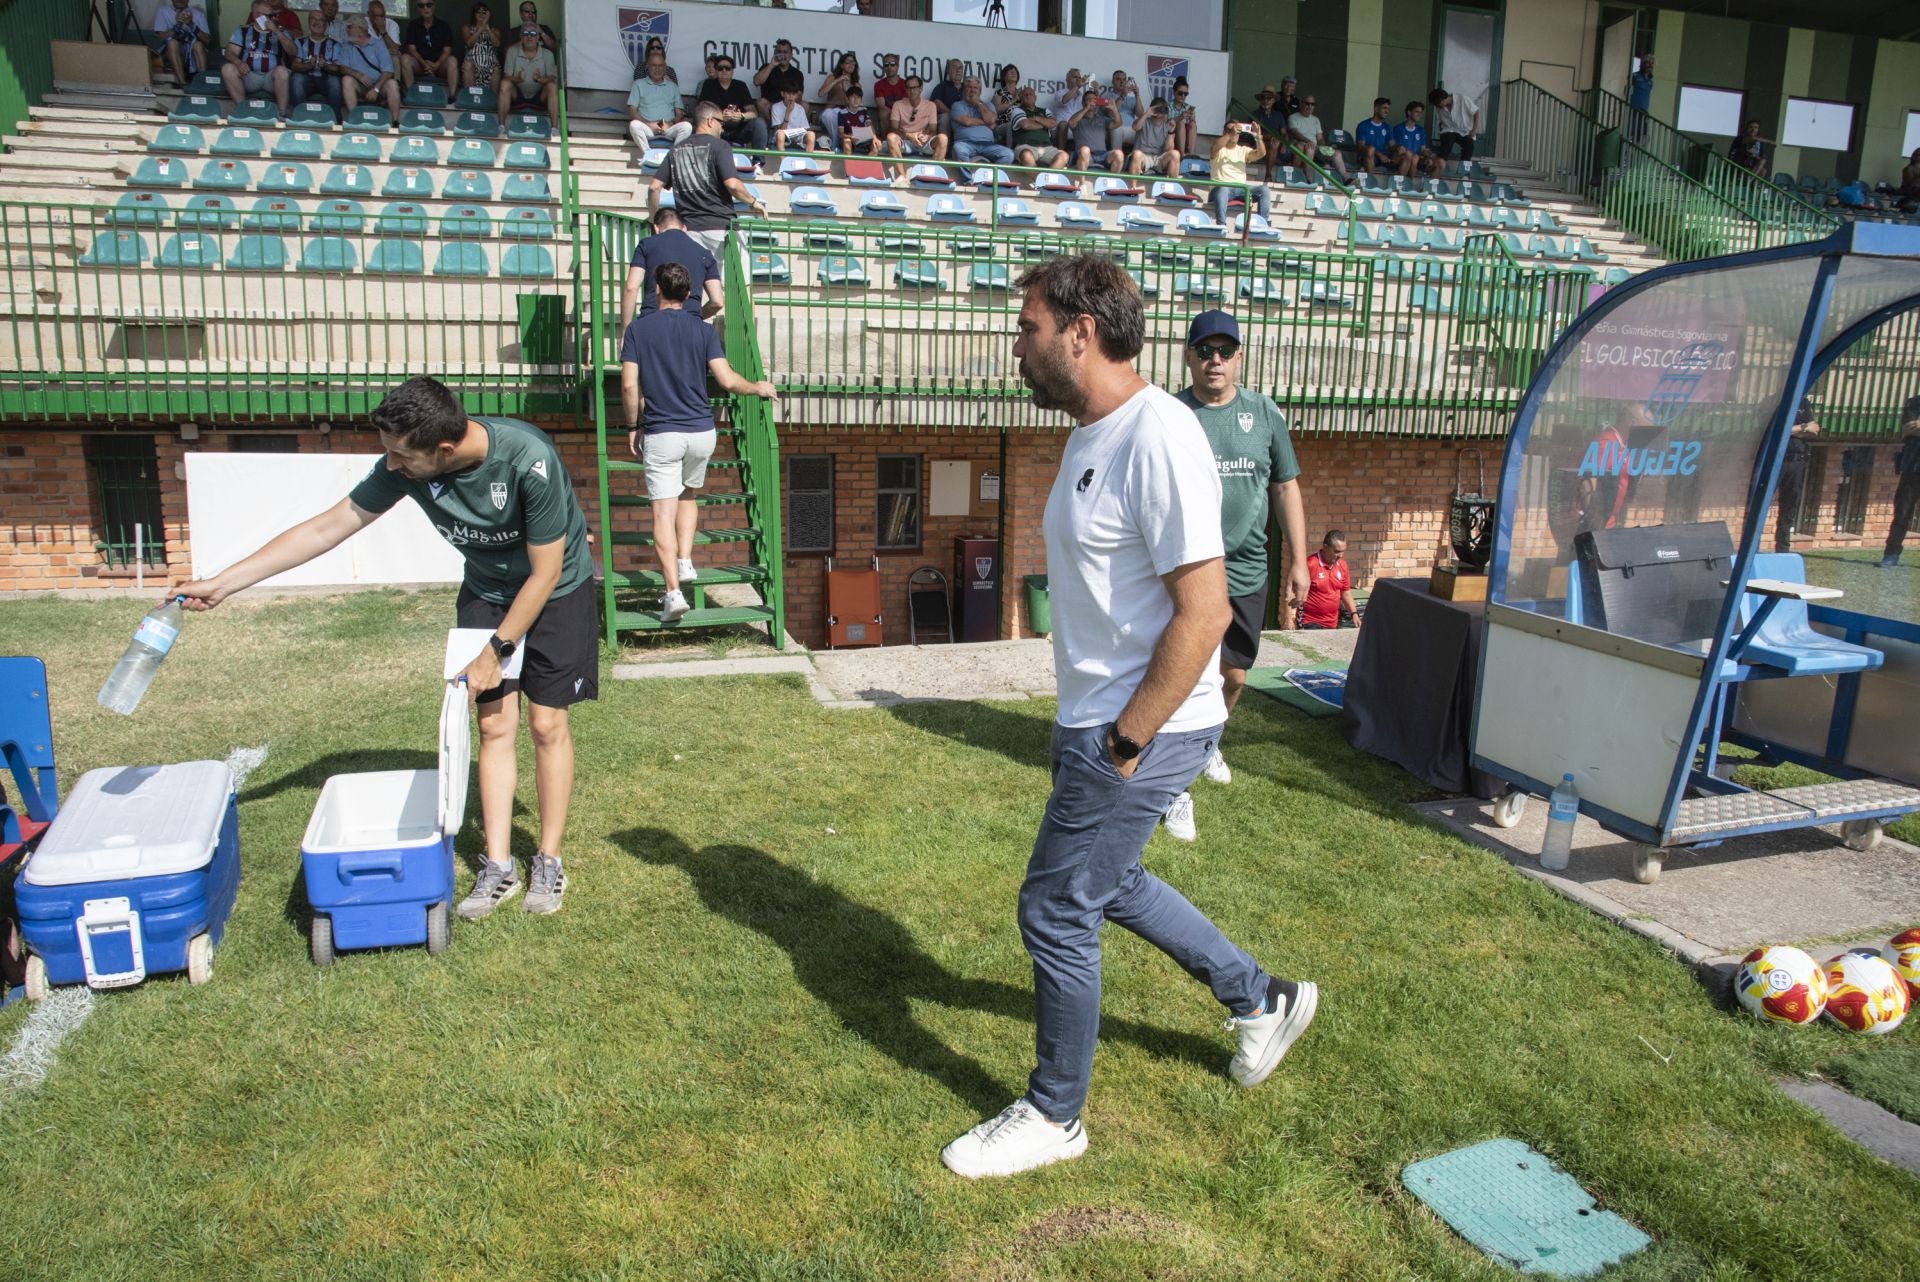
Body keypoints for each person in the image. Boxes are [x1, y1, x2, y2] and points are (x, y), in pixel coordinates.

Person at [939, 255, 1318, 1181]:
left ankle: (1054, 1113)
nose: (1015, 345)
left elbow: (1208, 611)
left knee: (1055, 907)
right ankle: (1260, 999)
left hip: (1143, 726)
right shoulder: (1089, 435)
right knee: (1109, 885)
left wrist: (1120, 743)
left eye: (1026, 327)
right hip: (1101, 719)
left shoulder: (1160, 434)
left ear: (1079, 331)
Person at [176, 377, 597, 920]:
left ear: (443, 450)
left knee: (546, 724)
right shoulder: (407, 466)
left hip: (557, 590)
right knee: (493, 725)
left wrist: (496, 650)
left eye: (401, 455)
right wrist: (225, 583)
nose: (392, 466)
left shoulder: (526, 460)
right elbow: (328, 528)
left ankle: (548, 858)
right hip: (488, 593)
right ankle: (498, 865)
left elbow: (543, 574)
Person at [1175, 309, 1308, 800]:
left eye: (1225, 351)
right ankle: (1176, 761)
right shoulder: (1171, 415)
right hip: (1186, 566)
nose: (1215, 360)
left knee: (1233, 674)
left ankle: (1210, 741)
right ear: (1188, 357)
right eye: (1205, 350)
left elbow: (1286, 487)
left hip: (1247, 567)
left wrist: (1297, 561)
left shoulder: (1264, 413)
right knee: (1184, 669)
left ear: (1239, 358)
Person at [619, 262, 779, 624]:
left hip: (663, 433)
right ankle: (686, 560)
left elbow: (630, 385)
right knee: (689, 494)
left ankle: (673, 594)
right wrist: (758, 387)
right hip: (702, 433)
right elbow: (726, 380)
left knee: (663, 512)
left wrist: (633, 425)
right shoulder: (703, 330)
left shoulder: (637, 331)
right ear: (690, 294)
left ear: (657, 289)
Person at [648, 103, 767, 277]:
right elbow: (733, 184)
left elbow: (654, 187)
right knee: (740, 291)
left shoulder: (675, 150)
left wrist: (653, 219)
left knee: (694, 291)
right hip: (721, 229)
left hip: (688, 232)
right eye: (721, 123)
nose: (722, 129)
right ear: (711, 121)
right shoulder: (720, 146)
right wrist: (753, 202)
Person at [620, 208, 723, 325]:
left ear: (656, 228)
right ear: (684, 228)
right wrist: (697, 316)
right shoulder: (704, 253)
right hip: (690, 324)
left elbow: (631, 288)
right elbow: (717, 301)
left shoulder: (646, 245)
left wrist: (625, 331)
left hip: (652, 321)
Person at [221, 0, 292, 114]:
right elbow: (229, 52)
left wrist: (276, 31)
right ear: (256, 15)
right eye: (268, 15)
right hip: (250, 76)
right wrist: (239, 63)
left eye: (272, 15)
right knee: (227, 68)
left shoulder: (280, 31)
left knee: (282, 71)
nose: (271, 18)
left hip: (272, 78)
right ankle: (242, 111)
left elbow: (292, 52)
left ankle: (282, 113)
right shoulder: (243, 30)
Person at [698, 56, 768, 153]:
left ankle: (758, 163)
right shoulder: (709, 84)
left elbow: (753, 113)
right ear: (716, 70)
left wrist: (741, 116)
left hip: (738, 130)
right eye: (720, 68)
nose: (724, 71)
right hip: (717, 129)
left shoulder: (740, 85)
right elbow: (701, 111)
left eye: (727, 68)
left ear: (732, 70)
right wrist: (721, 117)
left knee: (759, 123)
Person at [1775, 399, 1818, 553]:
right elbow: (1777, 429)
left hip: (1798, 461)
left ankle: (1782, 549)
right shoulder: (1775, 400)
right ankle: (1754, 548)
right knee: (1760, 505)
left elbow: (1815, 428)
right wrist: (1803, 428)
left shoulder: (1803, 403)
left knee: (1789, 506)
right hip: (1776, 460)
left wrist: (1795, 429)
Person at [1882, 394, 1920, 569]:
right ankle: (1891, 554)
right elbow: (1907, 428)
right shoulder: (1915, 402)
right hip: (1913, 465)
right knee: (1902, 512)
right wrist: (1914, 427)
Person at [884, 76, 948, 177]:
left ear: (921, 88)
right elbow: (894, 129)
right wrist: (910, 136)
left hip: (924, 142)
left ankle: (933, 176)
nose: (912, 91)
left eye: (915, 87)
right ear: (906, 89)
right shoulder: (898, 104)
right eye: (909, 88)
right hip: (906, 142)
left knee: (943, 138)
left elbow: (933, 130)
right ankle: (902, 176)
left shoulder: (931, 105)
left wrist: (925, 136)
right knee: (891, 137)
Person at [339, 15, 401, 118]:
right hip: (359, 86)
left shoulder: (378, 44)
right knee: (346, 80)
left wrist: (376, 89)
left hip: (379, 86)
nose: (347, 29)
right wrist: (359, 75)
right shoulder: (347, 46)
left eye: (349, 27)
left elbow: (388, 71)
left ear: (359, 29)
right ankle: (354, 118)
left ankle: (395, 122)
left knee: (392, 84)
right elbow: (343, 68)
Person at [627, 50, 690, 150]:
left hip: (668, 128)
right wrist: (649, 124)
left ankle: (672, 155)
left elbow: (679, 113)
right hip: (647, 127)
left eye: (660, 65)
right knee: (634, 125)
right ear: (647, 66)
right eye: (654, 65)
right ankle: (647, 154)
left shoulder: (673, 86)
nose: (657, 69)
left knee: (687, 127)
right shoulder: (638, 84)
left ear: (665, 67)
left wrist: (670, 124)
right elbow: (632, 111)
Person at [1210, 120, 1269, 224]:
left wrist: (1258, 137)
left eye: (1237, 131)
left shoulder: (1243, 150)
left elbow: (1261, 154)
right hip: (1220, 189)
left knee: (1264, 190)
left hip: (1241, 189)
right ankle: (1221, 225)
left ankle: (1262, 224)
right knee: (1223, 189)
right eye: (1230, 130)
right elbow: (1215, 147)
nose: (1234, 133)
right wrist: (1230, 134)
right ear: (1224, 133)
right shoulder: (1219, 149)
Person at [499, 24, 558, 125]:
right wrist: (518, 79)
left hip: (539, 97)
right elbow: (507, 76)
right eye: (525, 33)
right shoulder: (512, 51)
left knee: (552, 86)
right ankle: (501, 126)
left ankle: (554, 128)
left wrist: (540, 79)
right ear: (521, 37)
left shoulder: (548, 54)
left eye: (533, 33)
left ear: (538, 37)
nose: (529, 36)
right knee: (505, 83)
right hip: (518, 95)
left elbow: (551, 78)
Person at [1298, 532, 1358, 630]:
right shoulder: (1310, 564)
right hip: (1310, 621)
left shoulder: (1342, 565)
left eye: (1343, 551)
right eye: (1337, 551)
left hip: (1332, 623)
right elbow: (1294, 591)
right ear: (1325, 547)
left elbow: (1346, 593)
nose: (1340, 555)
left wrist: (1354, 614)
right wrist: (1289, 618)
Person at [289, 10, 345, 115]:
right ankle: (298, 116)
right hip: (307, 79)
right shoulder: (300, 42)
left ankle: (335, 118)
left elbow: (339, 69)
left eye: (321, 20)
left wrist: (326, 66)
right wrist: (309, 65)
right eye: (313, 19)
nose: (317, 22)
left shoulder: (335, 44)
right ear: (309, 22)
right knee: (296, 78)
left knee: (335, 81)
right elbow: (294, 65)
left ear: (326, 24)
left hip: (326, 79)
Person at [402, 0, 458, 101]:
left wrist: (436, 65)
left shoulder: (444, 25)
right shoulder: (413, 25)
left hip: (439, 66)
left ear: (434, 6)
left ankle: (452, 96)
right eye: (421, 5)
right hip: (420, 65)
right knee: (405, 58)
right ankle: (412, 94)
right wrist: (425, 64)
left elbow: (447, 51)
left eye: (428, 5)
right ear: (417, 8)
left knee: (452, 60)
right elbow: (412, 50)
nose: (425, 8)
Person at [1286, 94, 1348, 181]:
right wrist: (1309, 141)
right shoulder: (1293, 117)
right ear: (1301, 104)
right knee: (1310, 148)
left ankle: (1346, 179)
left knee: (1337, 153)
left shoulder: (1316, 119)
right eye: (1307, 103)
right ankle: (1310, 180)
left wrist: (1323, 146)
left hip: (1315, 147)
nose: (1310, 106)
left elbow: (1320, 138)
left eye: (1312, 104)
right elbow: (1295, 133)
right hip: (1301, 145)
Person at [951, 77, 1012, 165]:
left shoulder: (988, 105)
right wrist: (986, 123)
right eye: (969, 87)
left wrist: (979, 103)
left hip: (988, 145)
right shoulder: (957, 105)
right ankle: (968, 179)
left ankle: (992, 178)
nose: (972, 90)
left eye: (975, 88)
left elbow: (990, 119)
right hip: (966, 143)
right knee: (958, 148)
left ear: (980, 91)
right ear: (964, 90)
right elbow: (967, 122)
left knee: (1008, 154)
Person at [153, 0, 211, 87]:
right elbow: (161, 37)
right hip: (171, 53)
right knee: (172, 42)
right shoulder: (163, 11)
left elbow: (207, 40)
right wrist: (177, 26)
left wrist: (191, 24)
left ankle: (202, 83)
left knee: (198, 45)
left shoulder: (198, 14)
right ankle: (182, 83)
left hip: (192, 51)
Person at [1008, 87, 1067, 171]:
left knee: (1064, 156)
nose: (1028, 96)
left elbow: (1053, 124)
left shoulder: (1045, 110)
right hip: (1025, 146)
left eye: (1030, 94)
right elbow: (1026, 125)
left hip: (1047, 147)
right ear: (1021, 98)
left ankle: (1046, 180)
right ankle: (1038, 182)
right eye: (1025, 95)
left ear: (1035, 97)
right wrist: (1044, 124)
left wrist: (1036, 118)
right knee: (1026, 155)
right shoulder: (1017, 110)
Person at [1065, 82, 1119, 172]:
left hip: (1102, 155)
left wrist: (1114, 109)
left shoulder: (1102, 119)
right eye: (1089, 99)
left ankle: (1114, 184)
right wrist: (1086, 108)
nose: (1092, 101)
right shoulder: (1079, 118)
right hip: (1085, 154)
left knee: (1119, 154)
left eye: (1094, 99)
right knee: (1085, 150)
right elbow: (1071, 123)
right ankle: (1082, 184)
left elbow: (1118, 123)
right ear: (1083, 102)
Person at [1124, 97, 1178, 177]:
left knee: (1175, 154)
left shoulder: (1168, 125)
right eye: (1157, 108)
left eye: (1162, 109)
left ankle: (1172, 187)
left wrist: (1170, 132)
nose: (1159, 111)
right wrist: (1146, 114)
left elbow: (1168, 149)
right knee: (1137, 154)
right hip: (1143, 156)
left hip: (1158, 158)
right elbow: (1135, 127)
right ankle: (1133, 187)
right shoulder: (1144, 120)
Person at [753, 39, 804, 123]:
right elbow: (756, 82)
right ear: (775, 54)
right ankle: (771, 129)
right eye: (780, 52)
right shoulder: (767, 67)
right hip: (770, 105)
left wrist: (787, 104)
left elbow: (799, 96)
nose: (782, 55)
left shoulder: (797, 73)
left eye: (785, 52)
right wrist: (772, 64)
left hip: (788, 104)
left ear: (791, 55)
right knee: (761, 102)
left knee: (805, 105)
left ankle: (795, 130)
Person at [818, 51, 861, 149]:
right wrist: (837, 80)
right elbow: (820, 94)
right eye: (848, 62)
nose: (851, 65)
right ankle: (836, 146)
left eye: (853, 63)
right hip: (829, 114)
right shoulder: (832, 77)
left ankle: (839, 146)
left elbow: (856, 105)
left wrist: (847, 90)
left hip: (846, 116)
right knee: (830, 114)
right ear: (841, 65)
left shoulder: (856, 84)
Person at [1390, 101, 1441, 179]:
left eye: (1421, 112)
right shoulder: (1398, 128)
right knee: (1412, 156)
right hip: (1401, 159)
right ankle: (1403, 183)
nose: (1419, 114)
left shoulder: (1421, 130)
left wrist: (1428, 156)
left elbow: (1423, 149)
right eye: (1417, 111)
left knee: (1438, 163)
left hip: (1417, 159)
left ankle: (1420, 186)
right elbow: (1397, 148)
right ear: (1409, 112)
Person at [1429, 88, 1479, 164]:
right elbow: (1441, 120)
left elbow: (1476, 112)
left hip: (1464, 130)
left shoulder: (1463, 99)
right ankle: (1441, 163)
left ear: (1443, 100)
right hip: (1448, 129)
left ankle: (1463, 167)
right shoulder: (1440, 107)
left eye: (1438, 104)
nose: (1438, 107)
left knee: (1469, 147)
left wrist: (1474, 129)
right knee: (1447, 141)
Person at [462, 3, 502, 92]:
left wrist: (487, 29)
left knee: (496, 68)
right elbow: (469, 43)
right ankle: (470, 97)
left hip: (490, 64)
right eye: (478, 12)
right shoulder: (467, 27)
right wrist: (481, 28)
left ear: (488, 15)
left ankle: (492, 101)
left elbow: (497, 44)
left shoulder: (494, 30)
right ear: (474, 15)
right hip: (472, 62)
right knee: (467, 65)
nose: (481, 15)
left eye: (484, 13)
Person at [1353, 97, 1398, 176]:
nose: (1387, 111)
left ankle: (1401, 184)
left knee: (1406, 154)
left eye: (1388, 109)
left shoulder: (1387, 127)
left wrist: (1400, 148)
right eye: (1384, 108)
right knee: (1370, 149)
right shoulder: (1363, 125)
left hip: (1384, 158)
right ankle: (1372, 183)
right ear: (1376, 109)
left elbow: (1392, 145)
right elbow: (1360, 145)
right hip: (1368, 157)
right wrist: (1379, 155)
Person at [1251, 84, 1289, 173]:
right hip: (1259, 143)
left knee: (1274, 145)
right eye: (1263, 98)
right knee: (1272, 144)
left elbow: (1284, 133)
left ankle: (1269, 176)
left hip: (1276, 144)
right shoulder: (1254, 114)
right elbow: (1254, 133)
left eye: (1269, 98)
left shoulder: (1278, 115)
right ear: (1260, 100)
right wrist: (1272, 137)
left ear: (1274, 101)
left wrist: (1284, 144)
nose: (1266, 101)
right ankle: (1268, 176)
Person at [769, 83, 815, 153]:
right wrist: (788, 112)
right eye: (788, 93)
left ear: (796, 95)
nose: (791, 96)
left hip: (798, 137)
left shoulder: (800, 108)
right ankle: (783, 161)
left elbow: (806, 129)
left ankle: (808, 160)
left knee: (811, 134)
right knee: (780, 134)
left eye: (793, 94)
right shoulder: (776, 107)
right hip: (783, 137)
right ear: (782, 94)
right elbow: (780, 130)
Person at [871, 54, 908, 136]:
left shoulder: (905, 84)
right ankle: (886, 142)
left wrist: (895, 115)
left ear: (897, 66)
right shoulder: (879, 85)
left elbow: (905, 105)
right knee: (883, 113)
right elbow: (881, 106)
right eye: (886, 65)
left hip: (903, 113)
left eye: (892, 64)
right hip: (888, 114)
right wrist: (893, 115)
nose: (889, 67)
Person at [836, 88, 880, 156]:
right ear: (847, 99)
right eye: (853, 97)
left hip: (862, 139)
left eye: (858, 97)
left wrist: (875, 138)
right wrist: (851, 136)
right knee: (846, 141)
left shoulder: (864, 110)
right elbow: (840, 134)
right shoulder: (842, 113)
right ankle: (850, 165)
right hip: (850, 139)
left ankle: (866, 165)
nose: (856, 100)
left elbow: (870, 125)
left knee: (876, 145)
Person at [929, 57, 968, 134]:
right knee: (945, 117)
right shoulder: (943, 86)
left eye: (960, 68)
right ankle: (944, 145)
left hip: (965, 118)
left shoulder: (967, 87)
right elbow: (936, 102)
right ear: (948, 71)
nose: (958, 70)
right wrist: (953, 114)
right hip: (949, 116)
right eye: (954, 67)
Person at [991, 63, 1023, 147]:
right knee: (1010, 126)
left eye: (1015, 72)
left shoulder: (1022, 93)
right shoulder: (999, 93)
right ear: (1004, 77)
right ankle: (1010, 154)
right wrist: (1014, 100)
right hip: (1003, 125)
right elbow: (997, 109)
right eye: (1010, 71)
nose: (1013, 73)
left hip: (1020, 123)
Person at [1107, 69, 1138, 154]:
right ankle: (1116, 160)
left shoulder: (1131, 98)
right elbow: (1111, 114)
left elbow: (1140, 114)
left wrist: (1137, 95)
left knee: (1143, 130)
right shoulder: (1107, 96)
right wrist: (1122, 96)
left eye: (1124, 79)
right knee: (1117, 130)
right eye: (1118, 79)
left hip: (1132, 129)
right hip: (1117, 128)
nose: (1122, 82)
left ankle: (1136, 160)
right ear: (1113, 81)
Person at [1166, 77, 1196, 157]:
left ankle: (1191, 154)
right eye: (1180, 93)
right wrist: (1180, 118)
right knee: (1181, 124)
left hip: (1185, 138)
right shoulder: (1167, 106)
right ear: (1174, 92)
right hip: (1170, 138)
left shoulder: (1188, 107)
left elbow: (1192, 127)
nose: (1183, 96)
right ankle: (1182, 156)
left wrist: (1192, 119)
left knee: (1192, 124)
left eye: (1185, 94)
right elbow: (1164, 125)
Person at [1627, 52, 1654, 141]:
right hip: (1634, 110)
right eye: (1647, 63)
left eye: (1651, 63)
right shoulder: (1634, 76)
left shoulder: (1650, 82)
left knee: (1643, 137)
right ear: (1642, 64)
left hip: (1644, 112)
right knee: (1631, 134)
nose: (1649, 65)